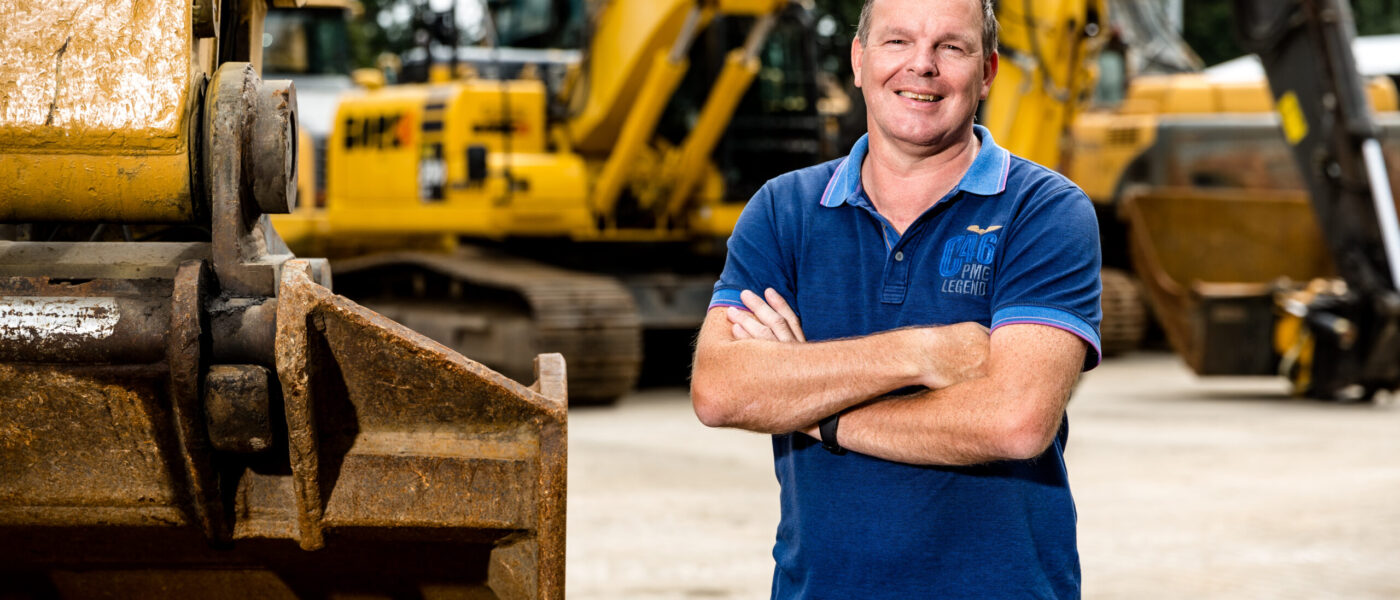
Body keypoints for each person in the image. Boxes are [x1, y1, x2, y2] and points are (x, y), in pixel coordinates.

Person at [689, 0, 1103, 597]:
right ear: (858, 60)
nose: (922, 66)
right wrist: (921, 352)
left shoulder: (1044, 210)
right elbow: (720, 389)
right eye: (897, 42)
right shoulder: (782, 211)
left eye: (951, 47)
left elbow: (1015, 422)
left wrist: (814, 412)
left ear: (986, 72)